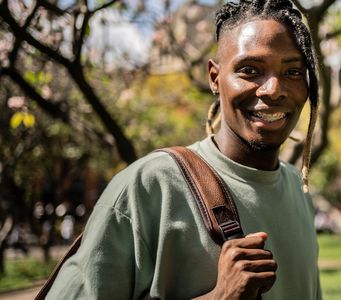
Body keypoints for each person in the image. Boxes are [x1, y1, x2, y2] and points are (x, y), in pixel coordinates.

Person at [46, 0, 321, 299]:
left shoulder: (298, 189)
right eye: (250, 70)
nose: (274, 89)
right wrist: (219, 296)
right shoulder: (149, 186)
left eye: (293, 72)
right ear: (215, 78)